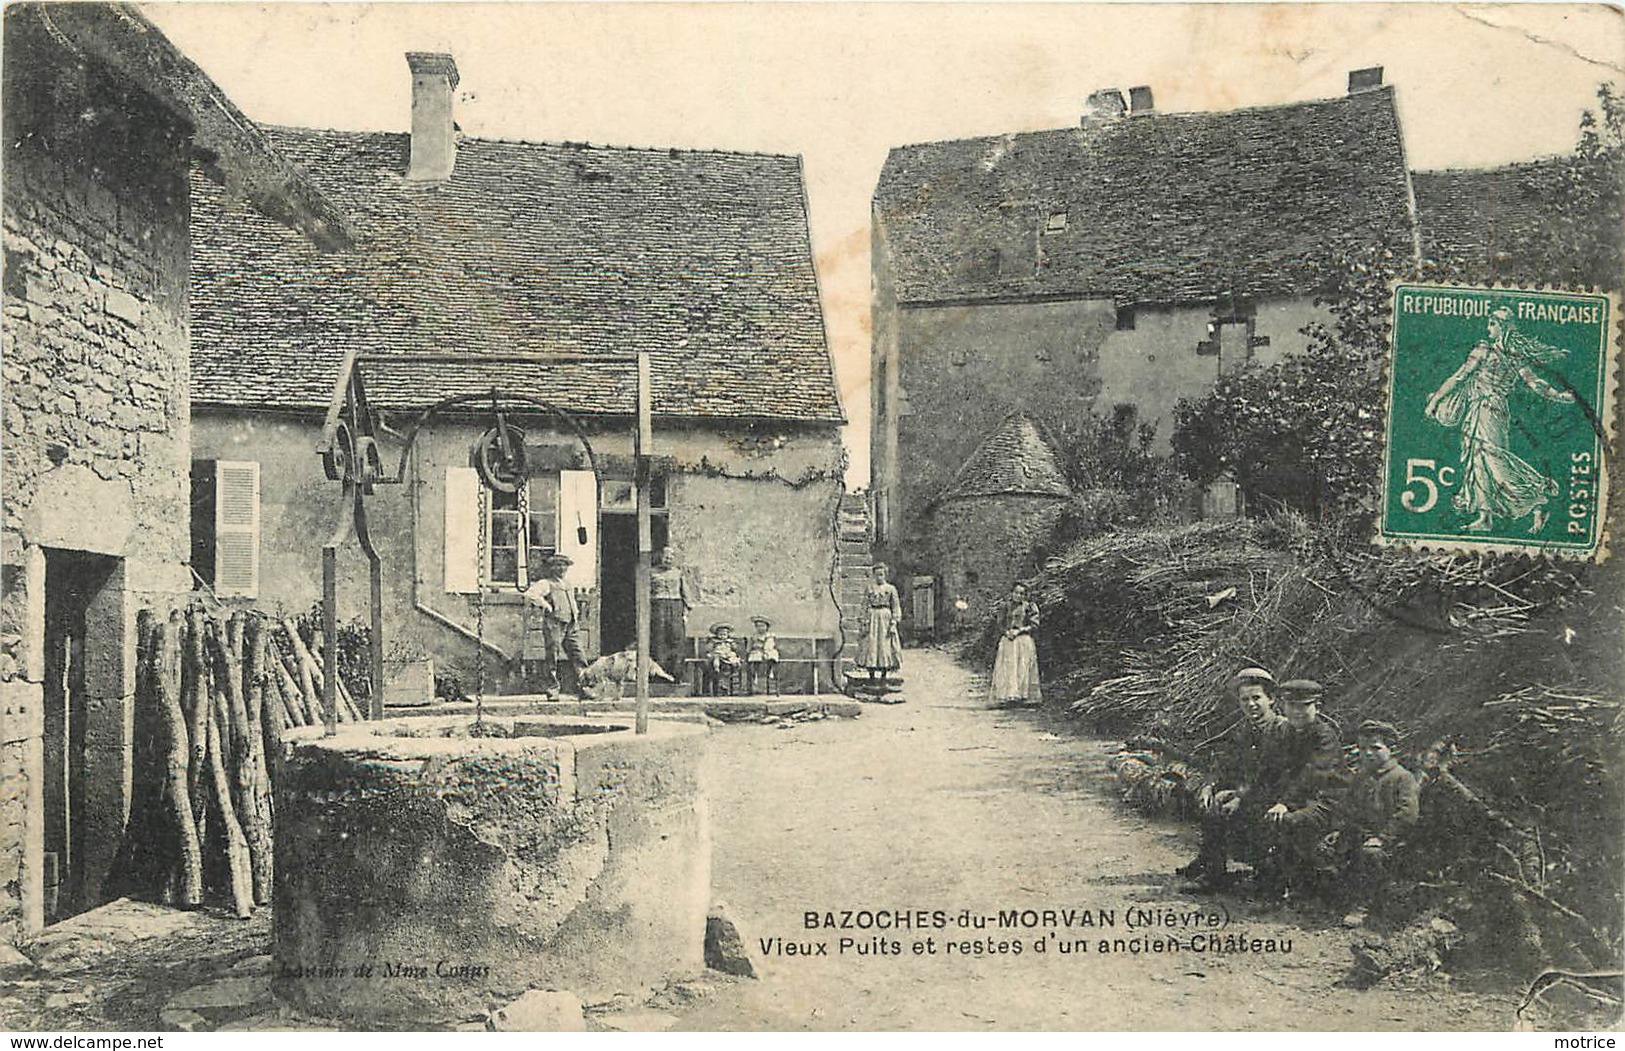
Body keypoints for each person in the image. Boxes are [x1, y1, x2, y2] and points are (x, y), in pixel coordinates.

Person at [1425, 304, 1577, 534]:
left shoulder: (1483, 351)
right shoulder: (1515, 357)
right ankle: (1486, 517)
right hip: (1492, 411)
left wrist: (1435, 400)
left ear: (1501, 326)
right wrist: (1560, 396)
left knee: (1494, 461)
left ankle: (1537, 499)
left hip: (1485, 410)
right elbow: (1536, 384)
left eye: (1492, 324)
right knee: (1480, 461)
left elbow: (1458, 377)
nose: (1488, 329)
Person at [1177, 666, 1287, 887]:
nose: (1251, 704)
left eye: (1256, 698)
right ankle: (1211, 864)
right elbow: (1226, 764)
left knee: (1229, 809)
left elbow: (1276, 777)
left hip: (1276, 797)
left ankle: (1216, 872)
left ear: (1271, 699)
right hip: (1250, 792)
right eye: (1244, 699)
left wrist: (1240, 798)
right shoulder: (1244, 730)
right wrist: (1210, 786)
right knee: (1206, 798)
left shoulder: (1282, 730)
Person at [1325, 719, 1420, 924]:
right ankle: (1333, 896)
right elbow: (1348, 808)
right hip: (1361, 833)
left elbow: (1407, 814)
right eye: (1363, 748)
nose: (1368, 753)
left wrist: (1383, 838)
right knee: (1325, 847)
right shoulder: (1361, 776)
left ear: (1392, 749)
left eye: (1375, 748)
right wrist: (1338, 829)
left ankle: (1363, 904)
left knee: (1370, 855)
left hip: (1392, 840)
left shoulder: (1402, 778)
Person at [520, 554, 587, 699]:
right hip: (554, 623)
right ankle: (552, 689)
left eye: (564, 565)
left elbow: (572, 602)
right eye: (557, 565)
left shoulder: (568, 583)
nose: (561, 568)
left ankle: (585, 688)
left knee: (579, 656)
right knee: (552, 656)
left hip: (571, 623)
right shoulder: (546, 583)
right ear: (551, 568)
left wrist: (575, 613)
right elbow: (530, 594)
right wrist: (547, 606)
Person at [987, 581, 1041, 708]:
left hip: (1023, 639)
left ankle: (1023, 696)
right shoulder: (1005, 606)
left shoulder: (1029, 607)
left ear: (1025, 595)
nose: (1018, 596)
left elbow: (1034, 624)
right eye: (1016, 592)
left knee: (1022, 666)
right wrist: (1006, 632)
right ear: (1012, 593)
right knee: (1008, 666)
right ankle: (1008, 696)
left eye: (1022, 593)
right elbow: (999, 624)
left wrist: (1020, 630)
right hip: (1009, 639)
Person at [650, 548, 694, 681]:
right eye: (665, 557)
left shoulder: (678, 573)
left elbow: (685, 593)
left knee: (676, 638)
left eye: (670, 557)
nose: (667, 559)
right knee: (659, 638)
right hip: (658, 605)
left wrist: (686, 612)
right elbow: (646, 592)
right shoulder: (652, 573)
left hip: (675, 605)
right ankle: (659, 674)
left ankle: (676, 673)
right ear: (660, 557)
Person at [858, 564, 902, 689]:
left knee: (885, 646)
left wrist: (894, 623)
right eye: (876, 574)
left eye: (881, 574)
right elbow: (864, 605)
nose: (879, 577)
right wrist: (863, 620)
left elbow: (896, 607)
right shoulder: (870, 588)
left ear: (885, 575)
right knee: (871, 646)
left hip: (885, 619)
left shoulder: (891, 589)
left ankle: (883, 677)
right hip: (872, 618)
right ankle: (871, 677)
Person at [702, 622, 743, 696]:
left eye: (724, 634)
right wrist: (710, 644)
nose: (722, 636)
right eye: (720, 634)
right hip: (718, 656)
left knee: (732, 659)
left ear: (727, 635)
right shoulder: (715, 642)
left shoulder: (729, 642)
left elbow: (735, 649)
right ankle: (716, 668)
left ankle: (735, 667)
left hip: (727, 656)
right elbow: (708, 649)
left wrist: (734, 645)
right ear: (717, 635)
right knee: (716, 661)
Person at [746, 616, 780, 695]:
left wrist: (765, 652)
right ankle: (755, 675)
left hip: (768, 650)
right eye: (758, 626)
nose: (760, 628)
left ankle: (771, 671)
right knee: (754, 658)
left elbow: (769, 645)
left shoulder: (769, 635)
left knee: (772, 656)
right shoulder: (754, 636)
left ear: (767, 627)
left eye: (762, 626)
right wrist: (749, 651)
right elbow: (750, 645)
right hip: (757, 650)